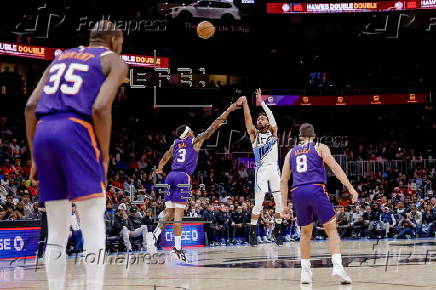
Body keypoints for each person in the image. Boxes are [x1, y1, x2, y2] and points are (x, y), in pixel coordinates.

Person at [24, 20, 127, 290]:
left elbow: (31, 106)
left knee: (57, 230)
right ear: (115, 41)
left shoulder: (60, 58)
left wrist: (35, 156)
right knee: (92, 223)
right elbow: (101, 107)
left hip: (44, 131)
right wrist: (103, 155)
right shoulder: (113, 60)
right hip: (76, 131)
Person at [150, 101, 240, 262]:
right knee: (178, 215)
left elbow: (165, 156)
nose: (193, 130)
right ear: (189, 133)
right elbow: (215, 125)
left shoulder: (175, 144)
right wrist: (229, 109)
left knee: (169, 212)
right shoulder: (195, 141)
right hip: (183, 177)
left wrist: (159, 168)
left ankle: (155, 233)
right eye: (190, 129)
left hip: (170, 175)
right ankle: (177, 248)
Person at [280, 123, 358, 284]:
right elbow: (335, 167)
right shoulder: (320, 147)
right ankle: (337, 266)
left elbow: (283, 180)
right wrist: (350, 188)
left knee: (305, 232)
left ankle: (305, 272)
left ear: (300, 137)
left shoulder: (290, 152)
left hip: (297, 192)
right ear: (314, 136)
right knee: (331, 229)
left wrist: (284, 206)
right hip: (316, 189)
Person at [238, 89, 284, 247]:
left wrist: (262, 102)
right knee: (258, 203)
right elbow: (247, 118)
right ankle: (252, 232)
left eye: (263, 119)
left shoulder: (273, 132)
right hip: (262, 170)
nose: (260, 120)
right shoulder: (253, 134)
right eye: (259, 119)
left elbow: (271, 115)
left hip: (275, 170)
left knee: (280, 204)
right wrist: (245, 103)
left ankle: (277, 231)